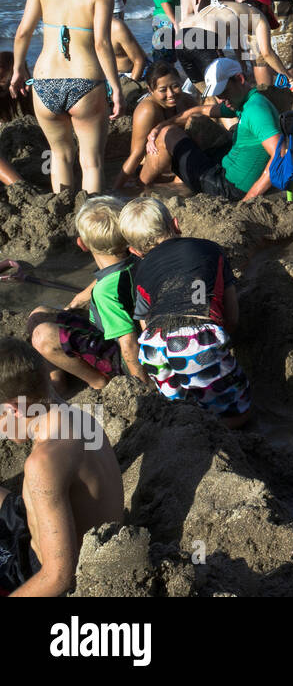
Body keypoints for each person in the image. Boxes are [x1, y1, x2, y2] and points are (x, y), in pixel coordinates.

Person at [0, 337, 123, 596]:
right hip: (50, 520)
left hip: (40, 567)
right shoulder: (77, 415)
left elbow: (58, 578)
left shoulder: (43, 463)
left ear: (14, 409)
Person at [119, 196, 253, 427]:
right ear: (176, 224)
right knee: (239, 414)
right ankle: (219, 434)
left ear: (134, 251)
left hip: (154, 345)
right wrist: (221, 346)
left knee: (180, 411)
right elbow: (231, 316)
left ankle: (187, 431)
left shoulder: (139, 271)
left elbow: (144, 321)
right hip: (196, 339)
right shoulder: (211, 250)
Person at [9, 0, 123, 194]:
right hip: (85, 83)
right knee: (91, 161)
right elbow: (101, 44)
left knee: (59, 156)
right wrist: (116, 89)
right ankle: (91, 223)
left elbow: (23, 32)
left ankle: (61, 214)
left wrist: (17, 70)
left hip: (44, 82)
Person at [26, 195, 148, 396]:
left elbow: (128, 342)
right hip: (112, 334)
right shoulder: (138, 257)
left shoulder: (105, 294)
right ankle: (57, 381)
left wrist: (141, 387)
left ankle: (99, 382)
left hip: (121, 360)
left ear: (82, 244)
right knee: (39, 314)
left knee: (42, 337)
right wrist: (83, 295)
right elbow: (113, 273)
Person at [143, 58, 283, 202]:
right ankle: (178, 181)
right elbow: (201, 110)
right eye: (217, 94)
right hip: (229, 169)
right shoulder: (245, 101)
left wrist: (248, 199)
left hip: (228, 188)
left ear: (239, 78)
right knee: (194, 123)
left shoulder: (256, 111)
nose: (221, 99)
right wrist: (158, 127)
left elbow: (281, 154)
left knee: (169, 133)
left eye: (223, 91)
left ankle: (140, 184)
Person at [175, 0, 293, 91]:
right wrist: (290, 80)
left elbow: (234, 45)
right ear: (265, 8)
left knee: (208, 94)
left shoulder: (231, 8)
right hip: (202, 40)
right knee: (226, 94)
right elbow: (266, 53)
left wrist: (242, 68)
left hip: (179, 40)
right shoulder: (258, 15)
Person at [116, 62, 197, 188]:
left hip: (177, 162)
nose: (171, 94)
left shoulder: (187, 100)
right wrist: (117, 188)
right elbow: (136, 154)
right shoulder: (147, 110)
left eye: (175, 86)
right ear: (150, 89)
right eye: (163, 90)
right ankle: (143, 185)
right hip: (151, 169)